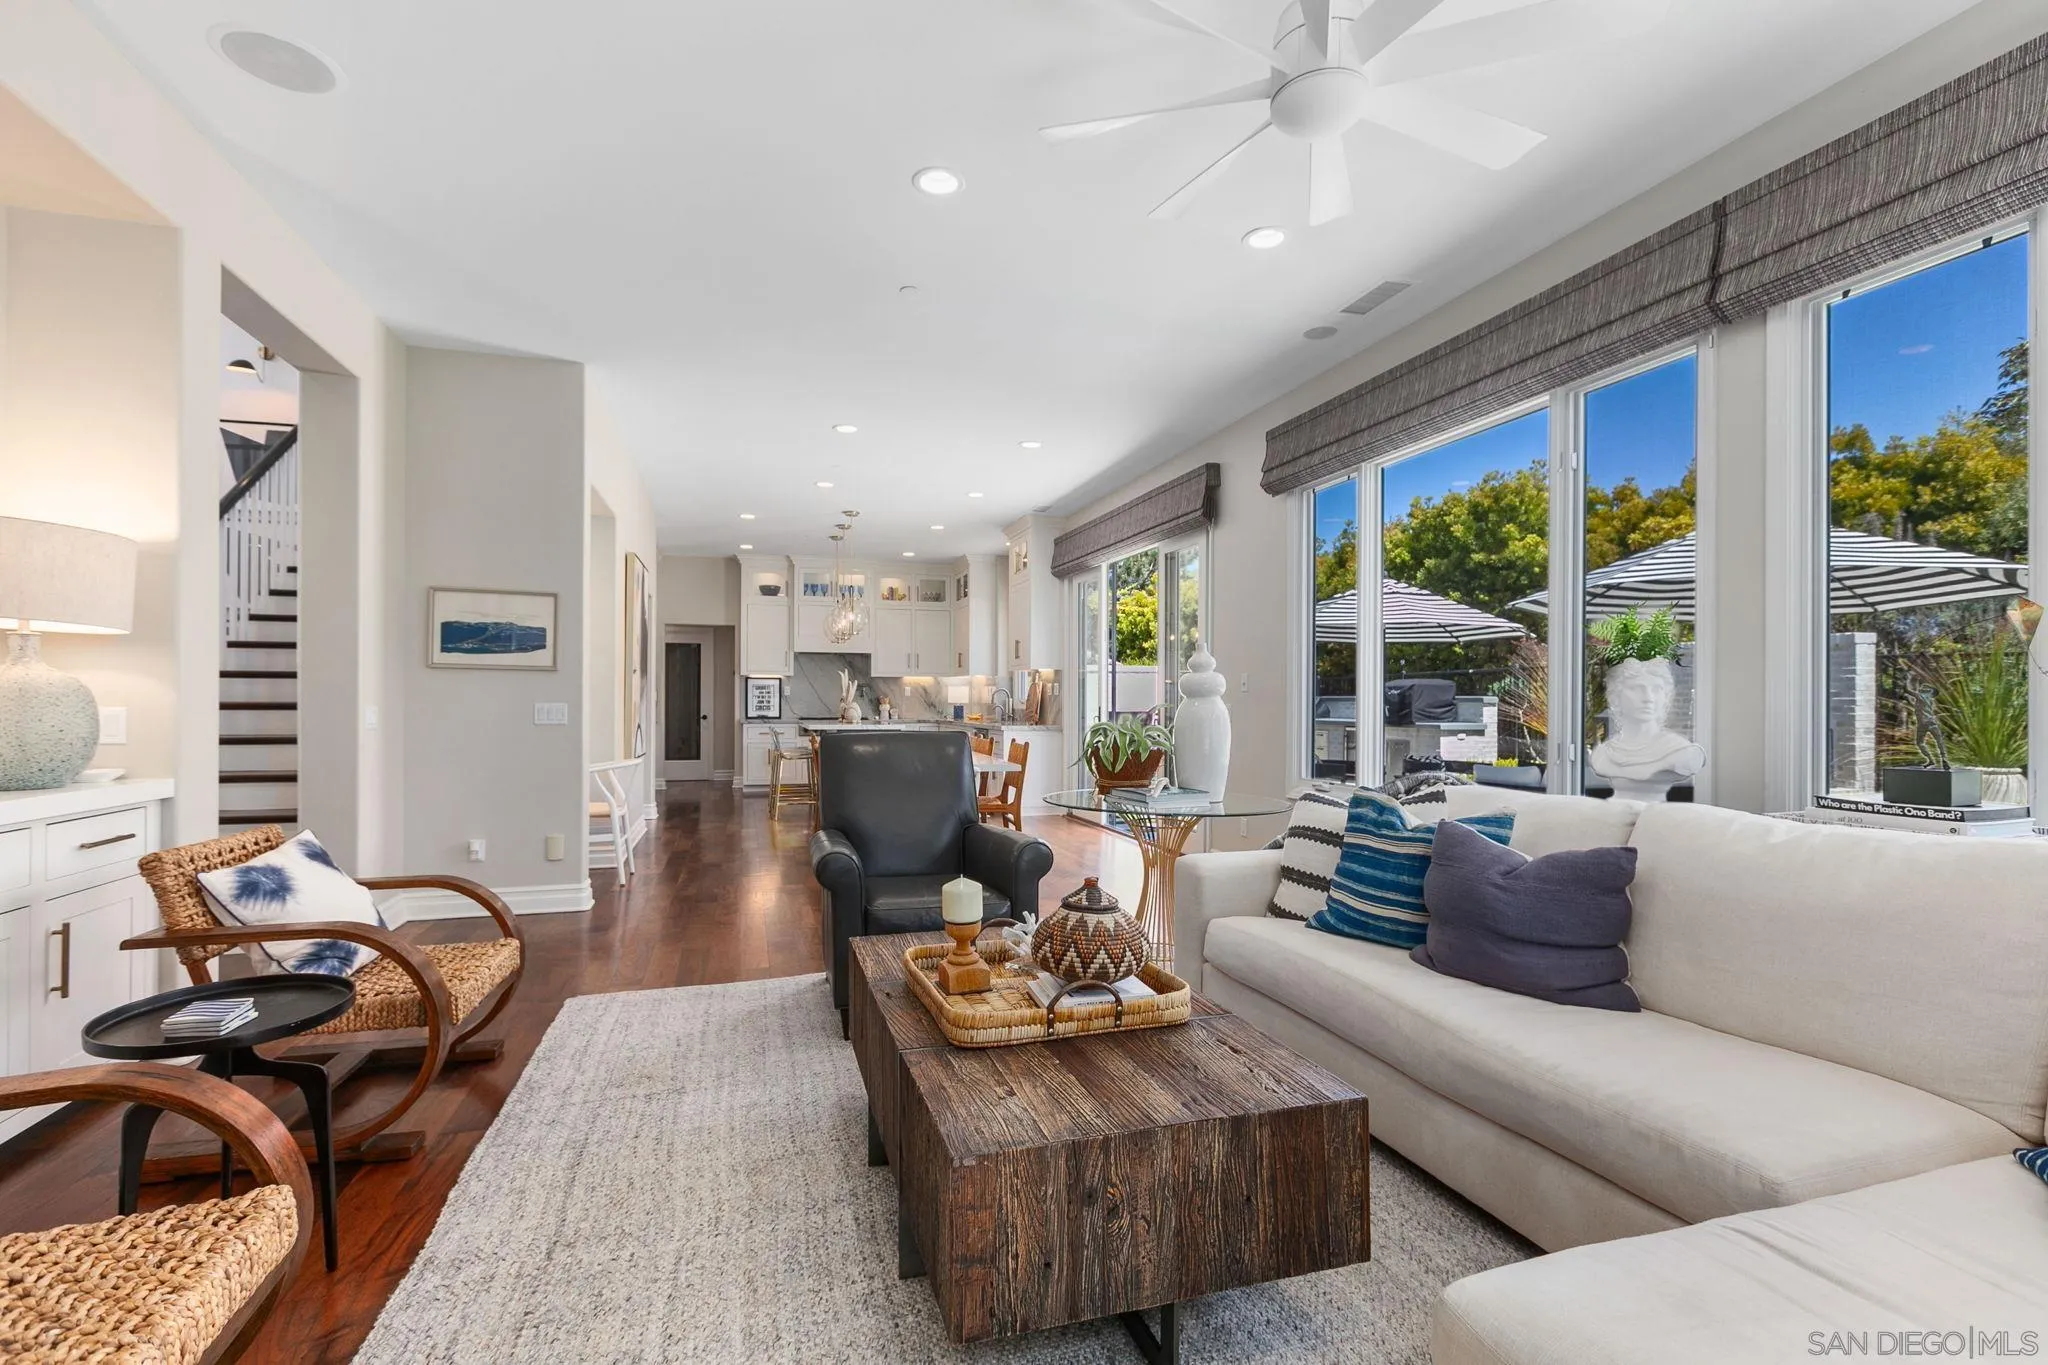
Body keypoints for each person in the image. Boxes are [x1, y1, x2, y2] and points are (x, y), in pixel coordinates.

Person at [1588, 658, 1704, 801]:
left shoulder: (1680, 751)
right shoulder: (1603, 754)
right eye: (1636, 689)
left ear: (1665, 697)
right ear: (1616, 697)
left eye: (1656, 689)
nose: (1648, 698)